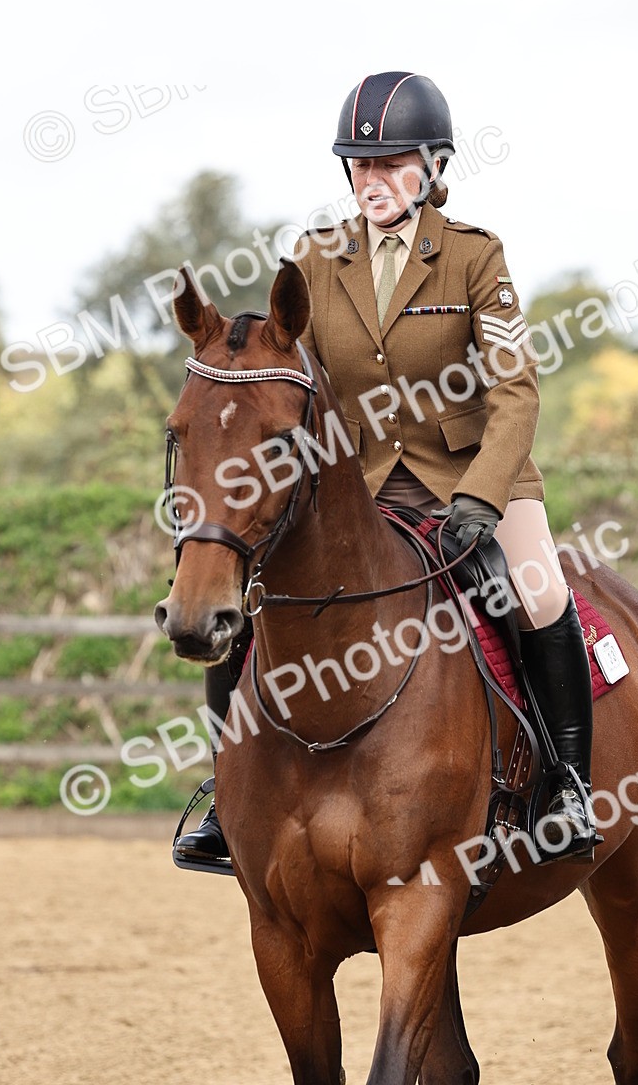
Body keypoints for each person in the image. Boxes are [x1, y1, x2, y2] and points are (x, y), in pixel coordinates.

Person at [176, 70, 599, 866]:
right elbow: (293, 382)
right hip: (354, 485)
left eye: (392, 164)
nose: (372, 180)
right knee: (244, 599)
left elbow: (515, 390)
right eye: (361, 165)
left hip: (470, 477)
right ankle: (228, 799)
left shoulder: (475, 256)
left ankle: (569, 785)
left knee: (538, 591)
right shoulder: (316, 258)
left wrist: (483, 496)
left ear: (432, 166)